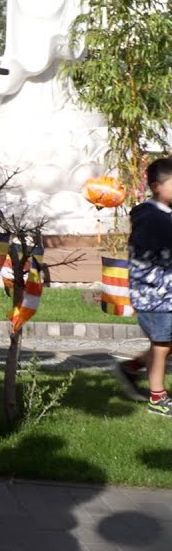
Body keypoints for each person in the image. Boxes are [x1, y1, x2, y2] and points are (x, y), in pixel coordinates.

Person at [113, 157, 172, 417]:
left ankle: (131, 367)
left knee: (167, 343)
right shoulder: (151, 218)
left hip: (166, 294)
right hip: (154, 295)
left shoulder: (164, 214)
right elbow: (146, 253)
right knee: (162, 345)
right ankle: (157, 398)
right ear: (156, 186)